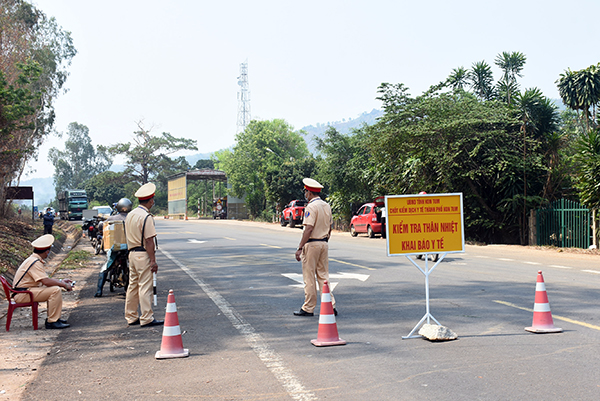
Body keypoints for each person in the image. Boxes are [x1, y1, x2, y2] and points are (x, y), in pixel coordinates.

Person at [293, 178, 337, 317]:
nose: (305, 194)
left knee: (309, 276)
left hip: (312, 244)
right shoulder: (326, 206)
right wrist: (325, 239)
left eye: (306, 191)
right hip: (324, 242)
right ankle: (330, 305)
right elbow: (330, 226)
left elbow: (308, 228)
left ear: (309, 193)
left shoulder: (311, 207)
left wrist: (300, 247)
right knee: (324, 276)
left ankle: (308, 307)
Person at [12, 234, 73, 329]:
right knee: (55, 290)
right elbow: (46, 282)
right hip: (23, 294)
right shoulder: (35, 263)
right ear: (47, 252)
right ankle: (52, 321)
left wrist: (60, 281)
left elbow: (46, 279)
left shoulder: (33, 259)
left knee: (55, 288)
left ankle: (54, 318)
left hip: (25, 291)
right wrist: (64, 284)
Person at [124, 183, 163, 327]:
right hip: (142, 254)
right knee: (145, 286)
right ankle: (146, 317)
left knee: (132, 286)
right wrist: (153, 261)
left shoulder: (131, 215)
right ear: (151, 200)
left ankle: (131, 316)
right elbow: (149, 240)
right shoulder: (146, 217)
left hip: (132, 254)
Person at [94, 198, 132, 297]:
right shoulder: (133, 218)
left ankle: (99, 291)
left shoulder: (111, 219)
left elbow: (102, 227)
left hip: (115, 248)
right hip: (130, 248)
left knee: (105, 267)